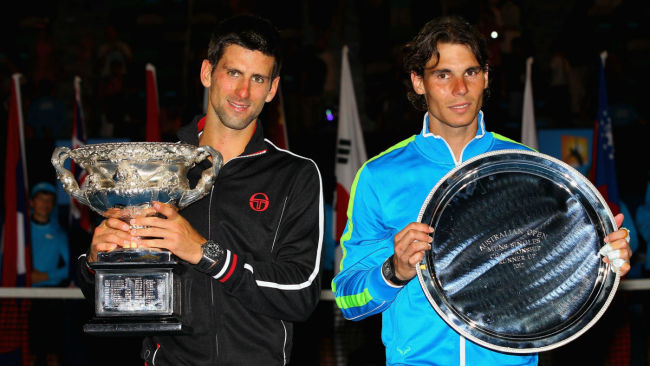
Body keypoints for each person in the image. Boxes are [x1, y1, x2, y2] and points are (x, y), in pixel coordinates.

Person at [331, 15, 633, 366]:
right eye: (443, 75)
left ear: (486, 76)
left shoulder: (525, 165)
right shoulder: (379, 175)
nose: (460, 89)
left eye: (471, 72)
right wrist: (393, 271)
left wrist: (602, 260)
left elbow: (557, 271)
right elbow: (347, 300)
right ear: (418, 82)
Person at [75, 14, 323, 365]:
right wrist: (99, 263)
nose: (243, 92)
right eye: (233, 73)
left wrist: (207, 254)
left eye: (258, 79)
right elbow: (120, 295)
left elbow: (300, 294)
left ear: (272, 89)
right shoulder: (155, 169)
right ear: (208, 72)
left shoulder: (295, 174)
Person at [29, 181, 70, 366]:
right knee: (28, 353)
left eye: (49, 201)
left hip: (51, 297)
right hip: (21, 297)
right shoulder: (19, 231)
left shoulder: (59, 233)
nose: (44, 204)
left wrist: (46, 276)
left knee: (53, 354)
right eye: (40, 200)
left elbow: (69, 269)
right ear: (32, 203)